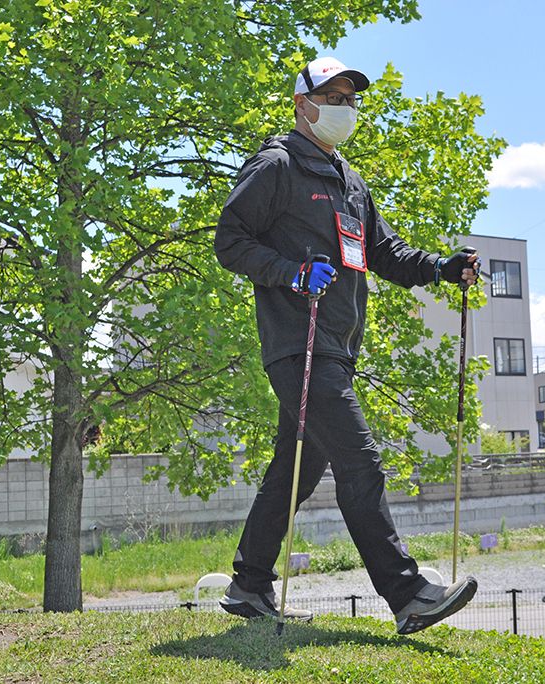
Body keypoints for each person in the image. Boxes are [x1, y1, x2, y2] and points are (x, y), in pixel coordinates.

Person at [213, 56, 480, 634]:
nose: (344, 109)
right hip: (297, 343)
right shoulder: (277, 165)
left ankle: (248, 585)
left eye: (349, 99)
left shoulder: (349, 180)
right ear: (301, 105)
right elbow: (229, 240)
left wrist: (441, 267)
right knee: (361, 462)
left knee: (295, 472)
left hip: (336, 344)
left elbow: (383, 252)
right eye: (332, 98)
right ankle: (409, 595)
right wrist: (289, 272)